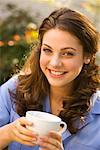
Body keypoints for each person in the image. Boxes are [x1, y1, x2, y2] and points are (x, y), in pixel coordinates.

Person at [0, 7, 100, 150]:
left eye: (68, 53)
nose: (54, 63)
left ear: (87, 56)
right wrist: (8, 133)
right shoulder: (14, 89)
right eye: (48, 50)